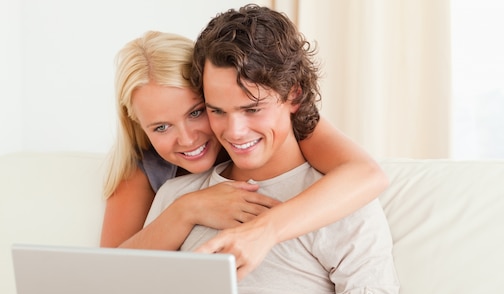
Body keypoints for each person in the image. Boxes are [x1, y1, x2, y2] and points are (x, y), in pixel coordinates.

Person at [0, 5, 398, 294]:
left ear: (292, 95)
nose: (234, 131)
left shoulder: (341, 199)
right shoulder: (176, 193)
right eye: (216, 110)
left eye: (252, 108)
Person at [101, 30, 388, 278]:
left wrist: (266, 229)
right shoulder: (146, 169)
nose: (187, 139)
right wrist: (186, 209)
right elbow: (108, 276)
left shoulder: (271, 127)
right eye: (161, 126)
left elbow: (366, 174)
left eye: (197, 112)